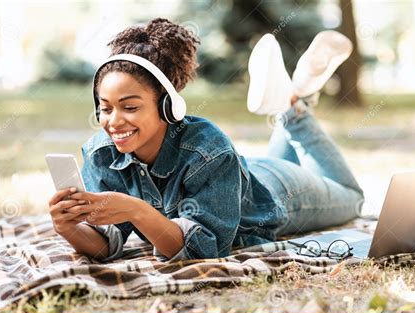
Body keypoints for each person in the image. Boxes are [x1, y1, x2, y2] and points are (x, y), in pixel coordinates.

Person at [48, 18, 364, 262]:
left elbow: (204, 248)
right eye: (104, 108)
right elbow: (107, 245)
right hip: (232, 177)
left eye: (130, 107)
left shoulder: (208, 149)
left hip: (276, 191)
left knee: (352, 199)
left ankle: (294, 108)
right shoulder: (102, 155)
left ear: (167, 107)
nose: (113, 121)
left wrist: (136, 210)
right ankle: (291, 97)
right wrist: (68, 227)